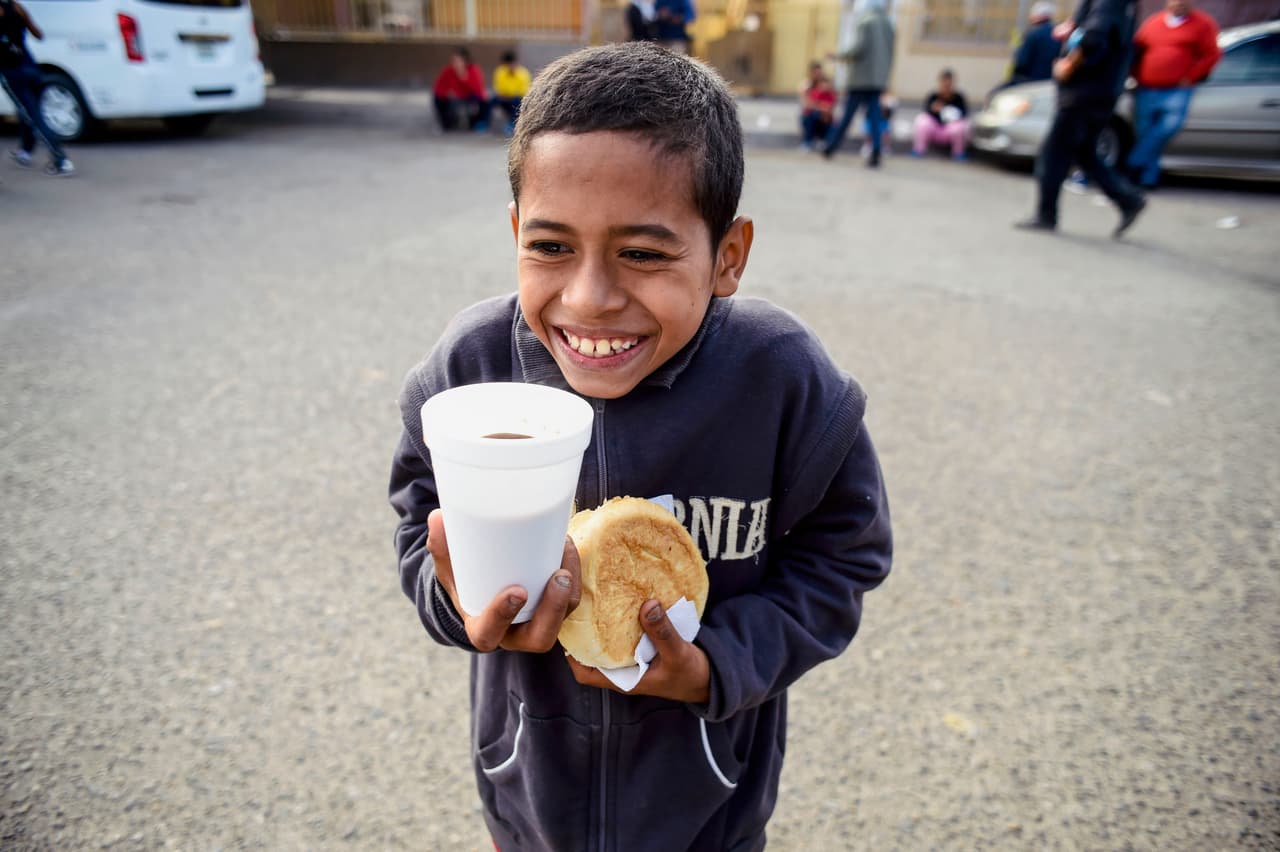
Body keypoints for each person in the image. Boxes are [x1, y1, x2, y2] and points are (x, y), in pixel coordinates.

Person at [389, 41, 892, 852]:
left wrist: (716, 664)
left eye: (645, 254)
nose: (590, 299)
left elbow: (844, 557)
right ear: (516, 231)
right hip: (529, 798)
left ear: (727, 257)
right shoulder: (470, 371)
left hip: (709, 807)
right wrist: (456, 599)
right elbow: (420, 522)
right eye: (550, 247)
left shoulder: (780, 378)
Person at [1014, 0, 1146, 238]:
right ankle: (1127, 200)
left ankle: (1046, 215)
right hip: (1099, 91)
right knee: (1083, 152)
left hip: (1083, 94)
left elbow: (1094, 37)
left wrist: (1068, 64)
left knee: (1053, 153)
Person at [1125, 0, 1221, 189]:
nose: (1180, 4)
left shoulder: (1202, 24)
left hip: (1177, 89)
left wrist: (1192, 75)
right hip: (1146, 88)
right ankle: (1148, 179)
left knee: (1169, 126)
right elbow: (1136, 50)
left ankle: (1134, 161)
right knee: (1145, 132)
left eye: (1184, 2)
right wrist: (1134, 73)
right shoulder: (1153, 23)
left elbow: (1212, 54)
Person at [0, 0, 73, 176]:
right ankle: (25, 151)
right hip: (31, 67)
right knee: (27, 111)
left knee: (33, 116)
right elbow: (38, 34)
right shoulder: (17, 7)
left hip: (12, 73)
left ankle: (60, 160)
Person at [822, 0, 895, 168]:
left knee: (847, 116)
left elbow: (858, 48)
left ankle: (831, 147)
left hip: (860, 79)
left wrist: (837, 56)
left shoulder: (865, 22)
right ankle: (876, 150)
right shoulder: (888, 24)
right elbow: (891, 53)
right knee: (875, 118)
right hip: (877, 80)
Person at [911, 69, 971, 159]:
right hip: (935, 129)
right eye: (944, 83)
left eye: (949, 83)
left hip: (951, 130)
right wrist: (934, 110)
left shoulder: (958, 97)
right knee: (922, 120)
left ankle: (958, 152)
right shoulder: (934, 96)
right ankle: (919, 149)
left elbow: (964, 114)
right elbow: (926, 111)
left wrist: (948, 111)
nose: (946, 86)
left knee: (961, 126)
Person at [432, 47, 491, 132]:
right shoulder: (448, 71)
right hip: (454, 99)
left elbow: (478, 89)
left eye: (458, 61)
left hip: (470, 98)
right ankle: (447, 123)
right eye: (453, 61)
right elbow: (439, 88)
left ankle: (479, 123)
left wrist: (464, 78)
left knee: (486, 101)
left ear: (465, 61)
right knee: (439, 99)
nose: (455, 63)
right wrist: (447, 93)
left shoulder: (473, 70)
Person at [1010, 2, 1061, 85]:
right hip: (1051, 82)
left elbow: (1022, 61)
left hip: (1030, 82)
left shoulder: (1032, 33)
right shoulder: (1058, 33)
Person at [491, 49, 531, 136]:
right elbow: (498, 88)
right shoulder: (500, 72)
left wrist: (509, 94)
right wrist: (506, 94)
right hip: (503, 97)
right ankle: (485, 123)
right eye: (508, 65)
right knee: (491, 100)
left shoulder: (523, 73)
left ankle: (512, 125)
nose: (510, 67)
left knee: (515, 102)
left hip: (517, 99)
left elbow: (523, 91)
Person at [798, 61, 836, 151]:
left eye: (819, 72)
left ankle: (823, 140)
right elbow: (806, 103)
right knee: (811, 116)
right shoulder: (807, 85)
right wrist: (820, 106)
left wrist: (821, 107)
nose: (817, 75)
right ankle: (808, 142)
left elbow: (830, 105)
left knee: (829, 119)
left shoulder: (827, 87)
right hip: (812, 113)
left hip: (825, 115)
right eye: (815, 73)